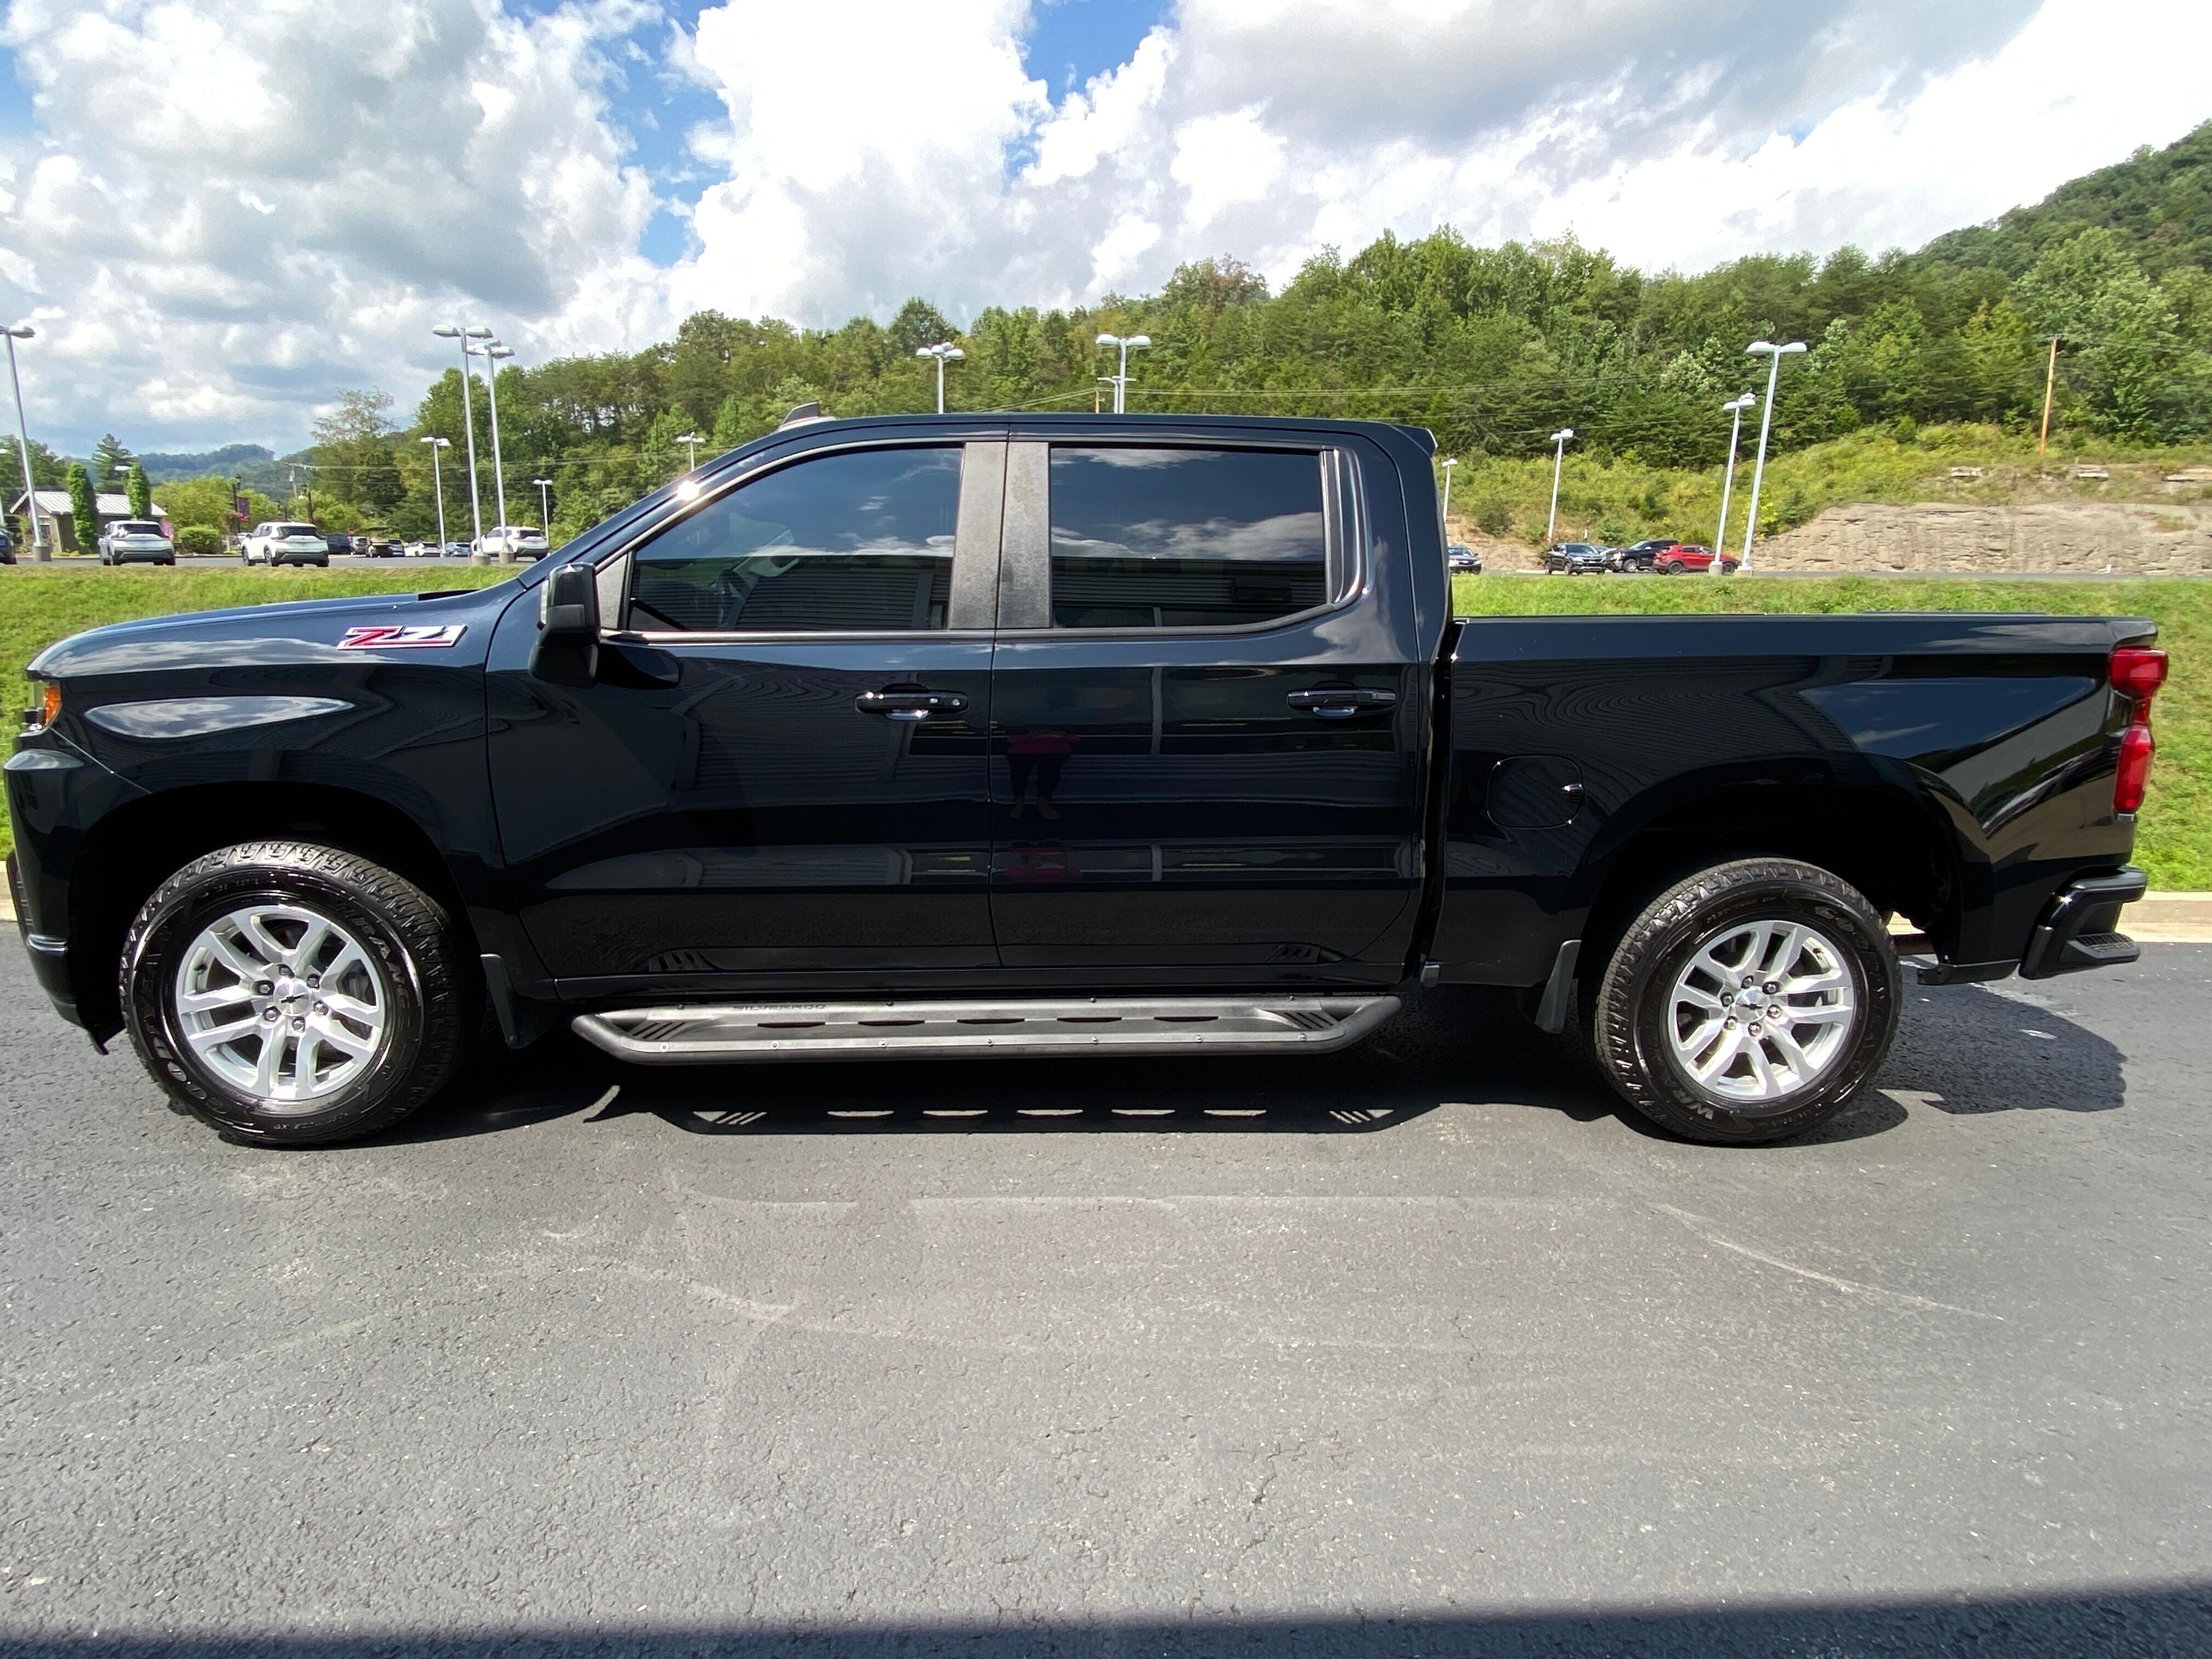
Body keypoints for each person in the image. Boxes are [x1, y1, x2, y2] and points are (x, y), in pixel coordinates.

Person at [1005, 726, 1073, 820]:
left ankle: (1043, 800)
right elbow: (1010, 739)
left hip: (1054, 752)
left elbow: (1076, 738)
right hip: (1022, 752)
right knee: (1020, 770)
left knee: (1050, 768)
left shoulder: (1064, 722)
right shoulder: (1021, 724)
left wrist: (1062, 735)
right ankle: (1019, 800)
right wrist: (1028, 736)